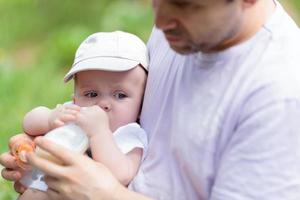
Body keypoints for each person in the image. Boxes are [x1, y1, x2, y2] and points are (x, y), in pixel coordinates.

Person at [2, 0, 300, 199]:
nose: (160, 20)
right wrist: (54, 150)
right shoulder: (182, 31)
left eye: (185, 4)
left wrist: (105, 194)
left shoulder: (279, 95)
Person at [7, 31, 149, 199]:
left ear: (141, 106)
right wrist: (50, 118)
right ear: (75, 99)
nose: (102, 104)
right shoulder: (73, 114)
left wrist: (99, 133)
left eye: (120, 95)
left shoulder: (129, 135)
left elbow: (121, 174)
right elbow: (29, 123)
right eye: (91, 94)